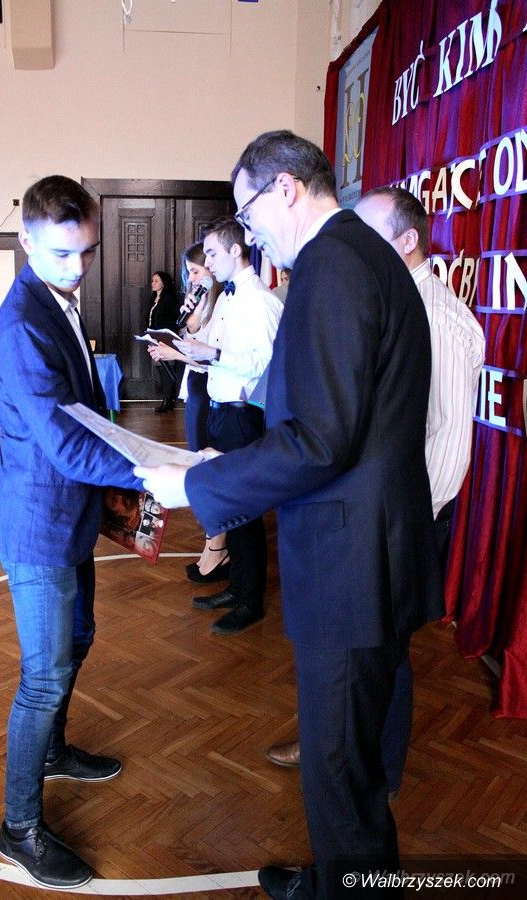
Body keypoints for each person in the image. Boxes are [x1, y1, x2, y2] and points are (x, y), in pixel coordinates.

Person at [134, 130, 443, 898]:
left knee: (337, 767)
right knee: (352, 764)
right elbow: (330, 416)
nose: (249, 234)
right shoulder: (358, 256)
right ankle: (340, 877)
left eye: (247, 213)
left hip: (350, 562)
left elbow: (321, 441)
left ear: (285, 189)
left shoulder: (332, 265)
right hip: (370, 548)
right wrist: (223, 460)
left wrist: (198, 487)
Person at [265, 186, 485, 790]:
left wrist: (405, 517)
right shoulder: (387, 295)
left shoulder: (437, 317)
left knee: (386, 654)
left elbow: (447, 443)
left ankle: (373, 778)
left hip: (406, 516)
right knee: (363, 653)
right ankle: (337, 745)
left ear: (408, 241)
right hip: (382, 513)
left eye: (368, 231)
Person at [0, 175, 141, 891]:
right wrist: (152, 469)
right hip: (38, 525)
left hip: (68, 517)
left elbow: (83, 415)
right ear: (25, 239)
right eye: (60, 254)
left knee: (78, 640)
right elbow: (67, 446)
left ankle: (51, 752)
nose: (77, 268)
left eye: (87, 252)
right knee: (43, 678)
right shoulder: (23, 324)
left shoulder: (57, 301)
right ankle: (18, 829)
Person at [173, 215, 283, 635]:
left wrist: (213, 354)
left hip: (243, 415)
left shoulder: (261, 301)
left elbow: (264, 363)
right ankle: (236, 587)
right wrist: (185, 350)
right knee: (229, 507)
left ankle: (250, 600)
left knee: (244, 511)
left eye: (213, 253)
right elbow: (213, 352)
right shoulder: (225, 299)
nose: (208, 262)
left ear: (236, 250)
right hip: (219, 410)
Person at [148, 242, 231, 584]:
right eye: (189, 274)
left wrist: (175, 354)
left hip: (211, 386)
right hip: (196, 384)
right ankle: (213, 539)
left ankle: (218, 544)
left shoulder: (225, 301)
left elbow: (215, 356)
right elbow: (192, 339)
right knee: (199, 460)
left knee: (209, 464)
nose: (192, 279)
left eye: (196, 271)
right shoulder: (200, 302)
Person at [148, 270, 182, 413]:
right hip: (154, 339)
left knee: (167, 369)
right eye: (152, 281)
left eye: (156, 280)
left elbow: (178, 318)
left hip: (166, 340)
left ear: (163, 283)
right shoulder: (153, 299)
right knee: (161, 369)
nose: (153, 283)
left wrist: (169, 333)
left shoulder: (168, 299)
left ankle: (168, 401)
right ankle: (166, 399)